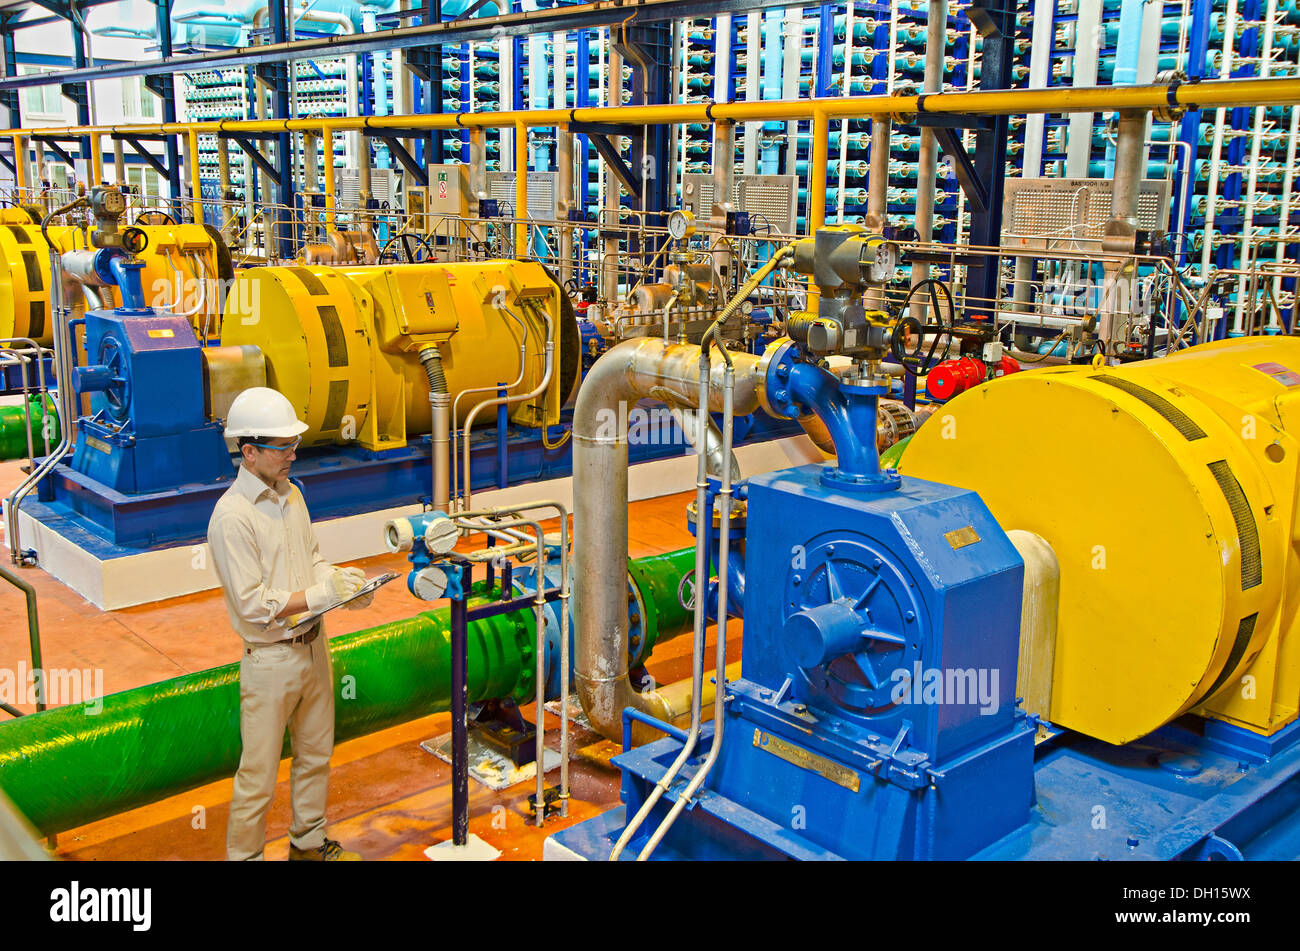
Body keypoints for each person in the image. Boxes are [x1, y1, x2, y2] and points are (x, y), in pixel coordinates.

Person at [208, 387, 373, 861]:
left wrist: (342, 586)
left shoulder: (292, 496)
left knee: (316, 756)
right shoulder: (232, 518)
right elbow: (254, 605)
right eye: (283, 448)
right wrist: (324, 595)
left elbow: (312, 559)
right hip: (271, 659)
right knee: (258, 776)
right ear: (250, 451)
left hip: (314, 647)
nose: (293, 455)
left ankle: (307, 844)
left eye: (293, 446)